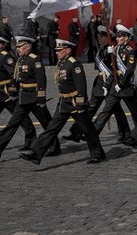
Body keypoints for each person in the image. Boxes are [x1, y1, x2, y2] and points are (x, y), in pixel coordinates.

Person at [20, 37, 106, 165]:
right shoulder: (61, 63)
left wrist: (81, 104)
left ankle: (98, 154)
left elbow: (81, 86)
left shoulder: (74, 64)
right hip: (64, 102)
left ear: (68, 50)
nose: (56, 53)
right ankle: (36, 154)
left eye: (59, 50)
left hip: (75, 103)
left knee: (88, 130)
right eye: (57, 50)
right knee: (51, 129)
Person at [0, 36, 59, 159]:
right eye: (17, 47)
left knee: (47, 124)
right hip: (23, 98)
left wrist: (41, 98)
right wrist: (12, 92)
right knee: (12, 124)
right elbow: (16, 78)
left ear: (28, 47)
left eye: (20, 47)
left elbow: (41, 80)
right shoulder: (21, 60)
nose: (17, 49)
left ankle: (55, 148)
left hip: (34, 98)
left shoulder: (35, 60)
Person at [62, 25, 131, 143]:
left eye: (101, 36)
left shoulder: (111, 50)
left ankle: (126, 134)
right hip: (99, 83)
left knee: (115, 109)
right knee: (90, 108)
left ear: (106, 38)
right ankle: (76, 131)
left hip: (109, 82)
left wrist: (110, 53)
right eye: (98, 36)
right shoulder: (102, 49)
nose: (98, 38)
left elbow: (114, 66)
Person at [92, 25, 137, 141]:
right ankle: (94, 132)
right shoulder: (117, 50)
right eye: (117, 36)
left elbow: (129, 70)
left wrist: (121, 85)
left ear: (126, 38)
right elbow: (113, 70)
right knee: (107, 108)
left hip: (127, 86)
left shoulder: (130, 51)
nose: (117, 39)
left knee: (135, 112)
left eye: (120, 37)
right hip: (116, 86)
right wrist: (106, 84)